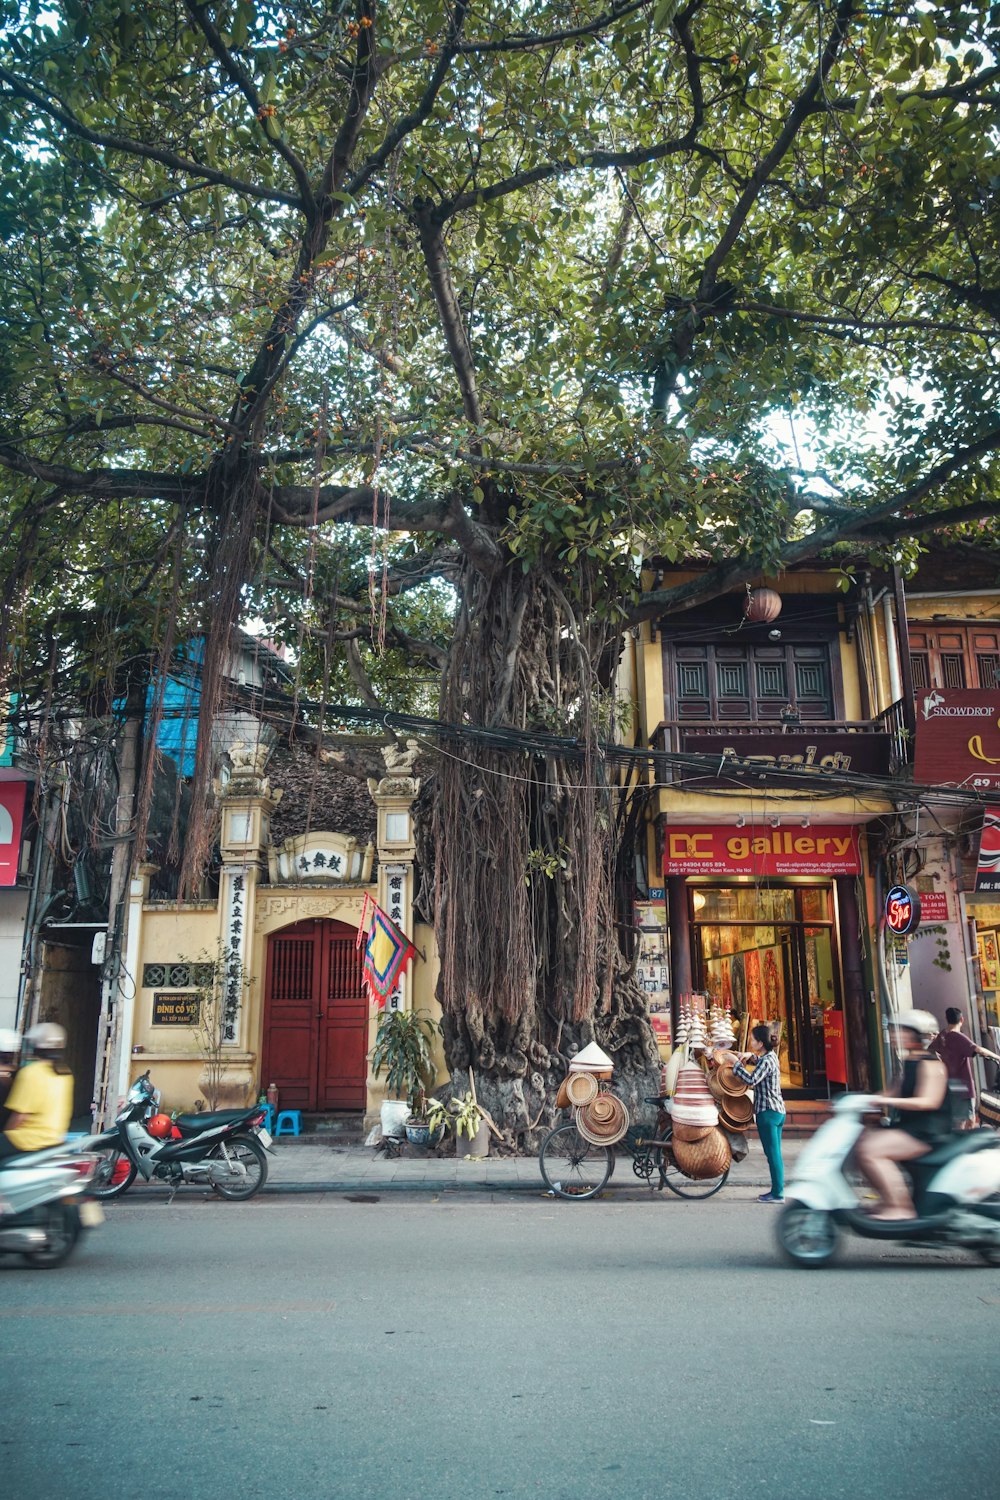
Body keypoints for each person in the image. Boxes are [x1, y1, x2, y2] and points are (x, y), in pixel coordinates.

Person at [855, 1009, 950, 1221]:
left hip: (926, 1132)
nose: (893, 1036)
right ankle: (888, 1199)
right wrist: (861, 1101)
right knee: (861, 1142)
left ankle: (900, 1207)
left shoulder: (931, 1064)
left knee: (870, 1150)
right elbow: (893, 1091)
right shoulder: (909, 1062)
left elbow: (928, 1101)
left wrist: (886, 1101)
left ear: (916, 1034)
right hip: (909, 1126)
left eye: (900, 1031)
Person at [0, 1021, 73, 1161]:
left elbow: (20, 1116)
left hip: (28, 1139)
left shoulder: (31, 1073)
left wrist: (5, 1135)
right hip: (55, 1136)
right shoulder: (64, 1073)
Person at [731, 1024, 786, 1204]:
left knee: (773, 1155)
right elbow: (760, 1062)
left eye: (753, 1040)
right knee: (774, 1153)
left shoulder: (767, 1061)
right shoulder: (770, 1057)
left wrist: (735, 1065)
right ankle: (778, 1190)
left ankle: (778, 1193)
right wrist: (750, 1057)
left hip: (768, 1113)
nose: (751, 1042)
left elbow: (751, 1080)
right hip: (776, 1111)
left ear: (761, 1043)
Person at [930, 1007, 1000, 1129]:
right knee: (967, 1119)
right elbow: (979, 1050)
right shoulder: (958, 1036)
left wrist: (941, 1062)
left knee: (959, 1117)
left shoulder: (942, 1036)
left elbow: (930, 1050)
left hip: (949, 1084)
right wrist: (997, 1057)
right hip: (963, 1085)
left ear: (947, 1019)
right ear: (962, 1019)